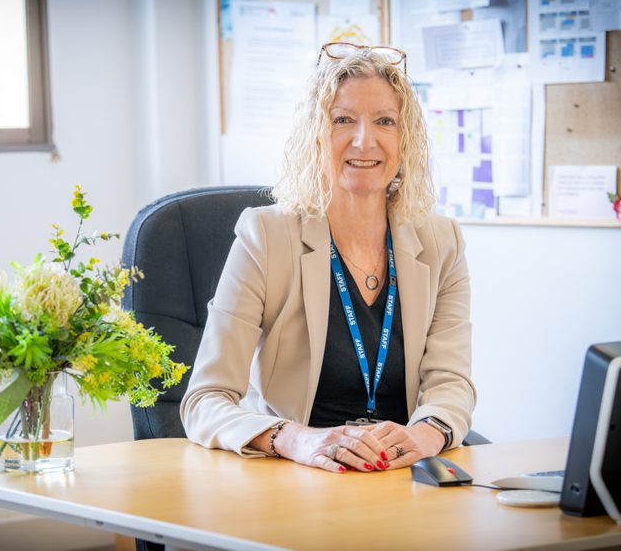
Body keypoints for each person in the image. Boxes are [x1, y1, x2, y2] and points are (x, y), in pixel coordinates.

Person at [180, 43, 475, 473]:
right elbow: (205, 400)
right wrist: (293, 438)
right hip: (298, 474)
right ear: (315, 135)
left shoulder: (441, 241)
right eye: (343, 120)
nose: (364, 140)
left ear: (404, 138)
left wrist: (425, 434)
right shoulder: (266, 235)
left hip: (399, 475)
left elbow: (452, 382)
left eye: (385, 121)